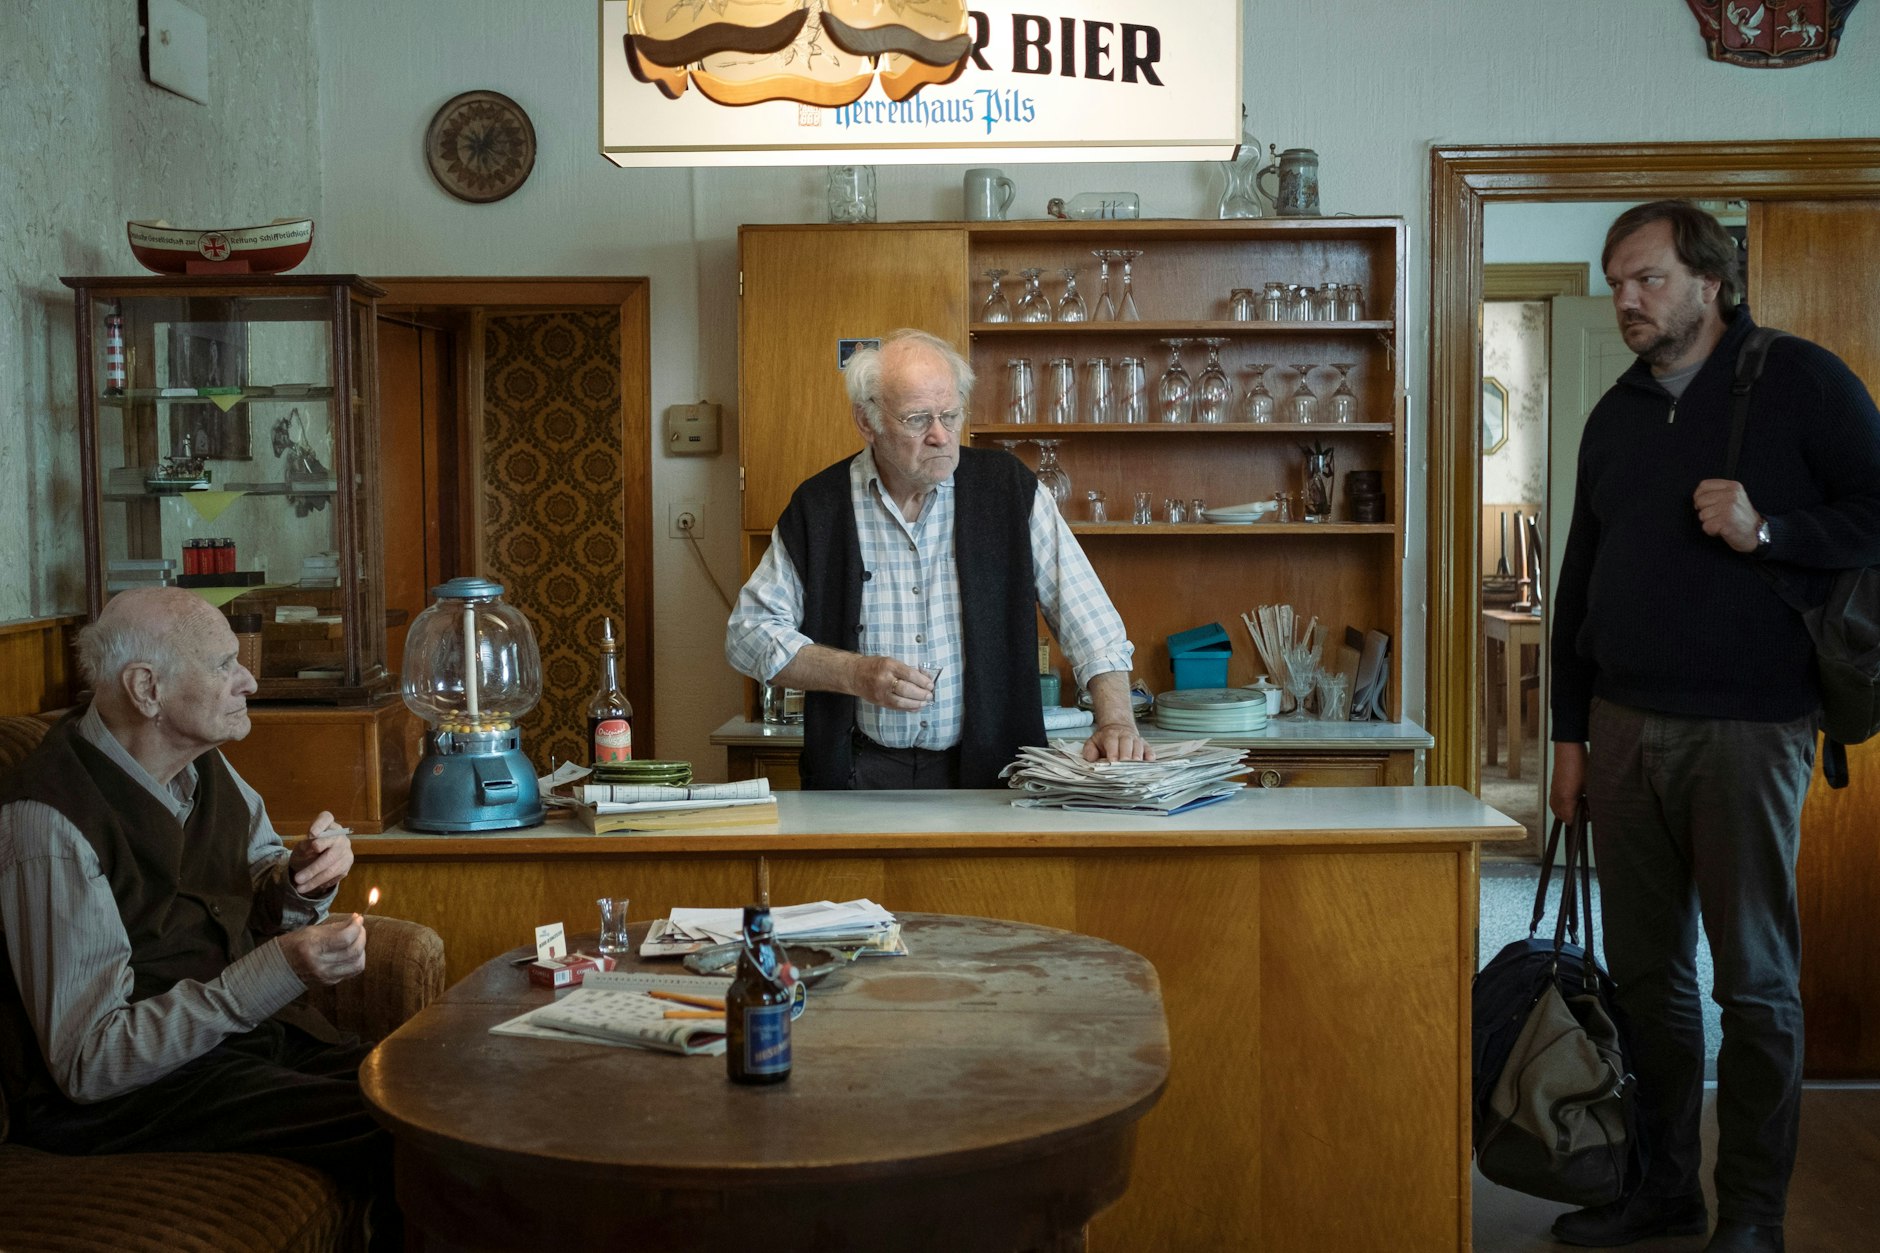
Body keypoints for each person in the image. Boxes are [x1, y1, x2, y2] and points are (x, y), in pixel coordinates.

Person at [1548, 201, 1880, 1253]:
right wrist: (1566, 737)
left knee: (1754, 981)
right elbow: (1574, 587)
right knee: (1645, 981)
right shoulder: (1611, 412)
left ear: (1709, 279)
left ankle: (1749, 1213)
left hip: (1747, 730)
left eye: (1643, 279)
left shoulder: (1798, 379)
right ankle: (1660, 1190)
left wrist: (1767, 526)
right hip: (1619, 728)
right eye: (1614, 283)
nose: (1625, 301)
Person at [0, 587, 398, 1248]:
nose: (248, 679)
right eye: (223, 665)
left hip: (227, 1049)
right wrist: (275, 970)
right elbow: (89, 1062)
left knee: (421, 1085)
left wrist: (301, 883)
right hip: (126, 1099)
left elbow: (259, 868)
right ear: (147, 689)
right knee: (397, 1124)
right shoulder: (48, 823)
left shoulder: (201, 765)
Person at [726, 328, 1149, 789]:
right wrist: (855, 673)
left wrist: (1116, 722)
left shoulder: (1008, 490)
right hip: (857, 776)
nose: (941, 435)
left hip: (995, 775)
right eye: (917, 419)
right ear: (868, 422)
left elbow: (1091, 625)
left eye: (950, 414)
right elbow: (748, 634)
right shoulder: (819, 506)